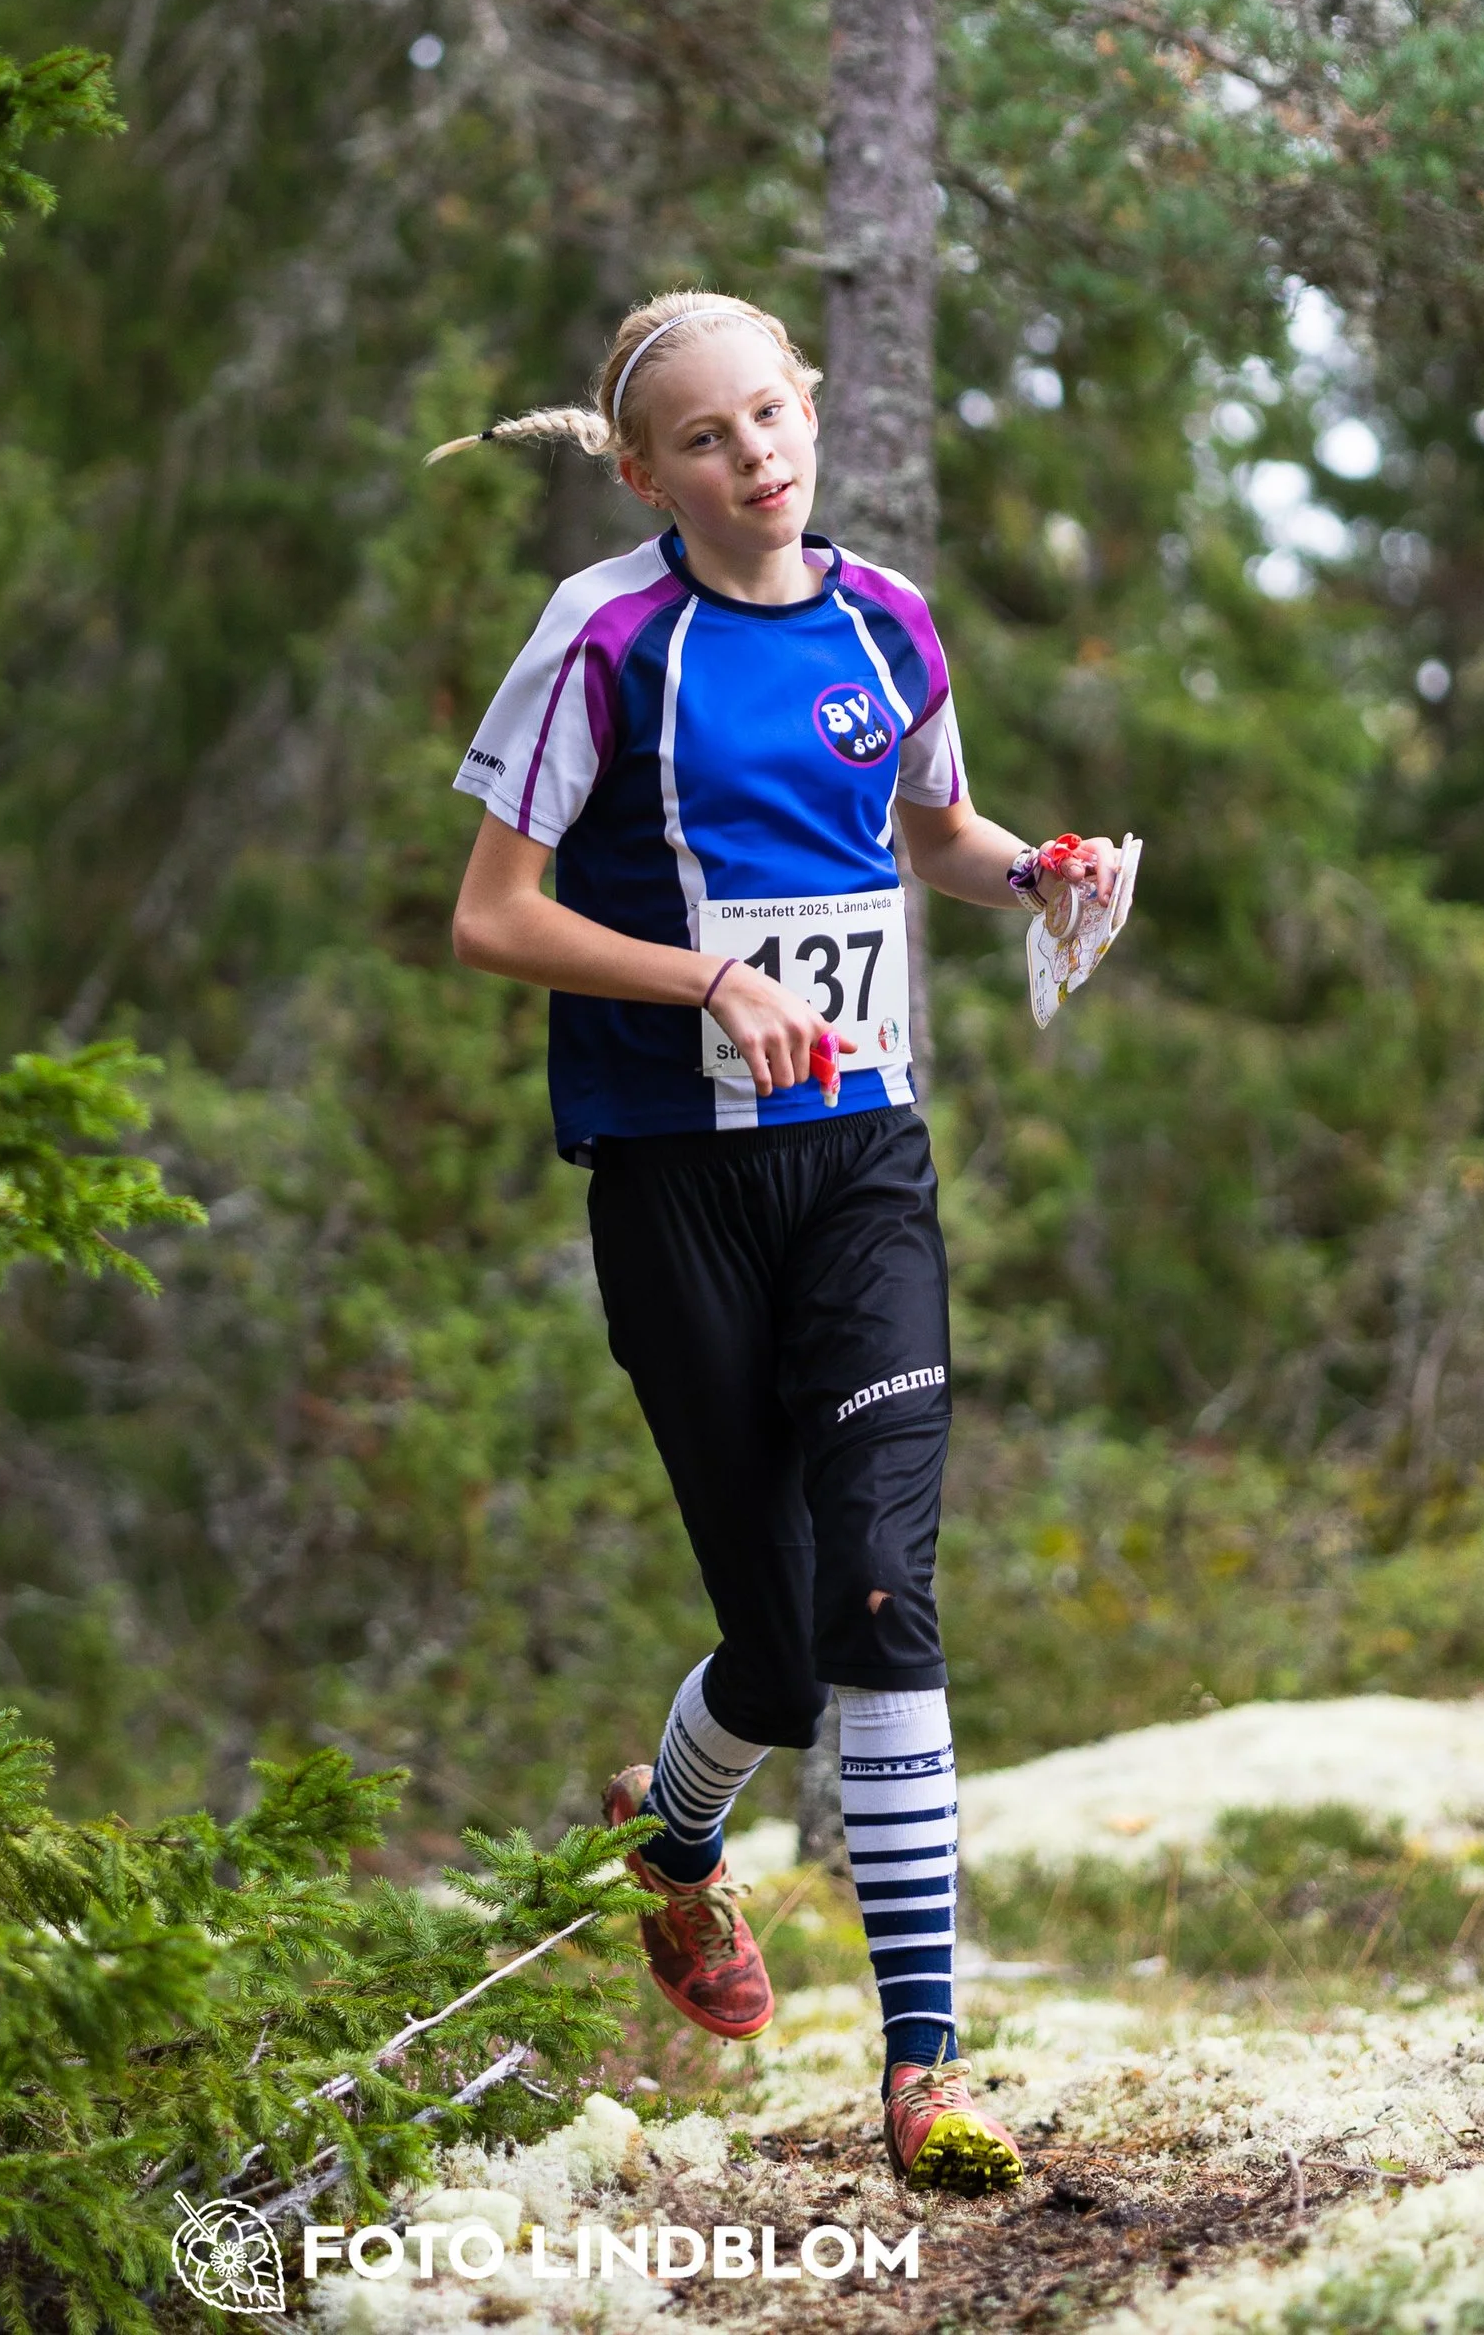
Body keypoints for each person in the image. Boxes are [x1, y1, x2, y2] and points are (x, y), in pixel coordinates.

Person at [433, 289, 1119, 2198]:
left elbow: (932, 833)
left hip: (862, 1166)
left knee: (883, 1598)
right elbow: (494, 916)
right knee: (780, 1652)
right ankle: (670, 1845)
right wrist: (706, 983)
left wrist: (1039, 874)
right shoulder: (605, 636)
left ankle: (928, 2072)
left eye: (775, 416)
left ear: (810, 411)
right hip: (674, 1175)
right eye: (713, 440)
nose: (759, 459)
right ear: (649, 472)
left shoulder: (891, 621)